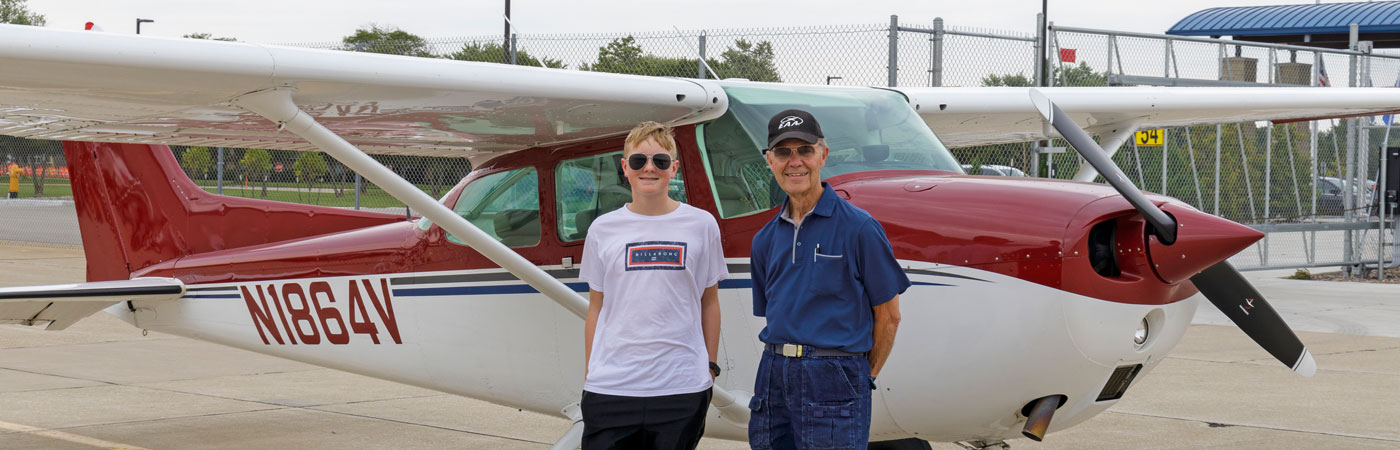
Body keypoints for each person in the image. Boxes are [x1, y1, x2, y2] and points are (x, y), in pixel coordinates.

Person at [748, 109, 909, 450]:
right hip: (773, 373)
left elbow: (889, 317)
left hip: (835, 373)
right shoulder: (764, 239)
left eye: (804, 151)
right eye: (783, 152)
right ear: (769, 160)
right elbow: (773, 312)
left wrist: (863, 377)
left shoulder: (859, 228)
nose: (795, 162)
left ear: (823, 155)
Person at [578, 121, 726, 450]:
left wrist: (710, 367)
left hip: (682, 388)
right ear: (624, 168)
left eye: (659, 161)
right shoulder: (603, 229)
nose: (649, 168)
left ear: (673, 168)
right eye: (638, 161)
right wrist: (593, 371)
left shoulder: (702, 225)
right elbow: (596, 306)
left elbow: (710, 302)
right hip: (612, 388)